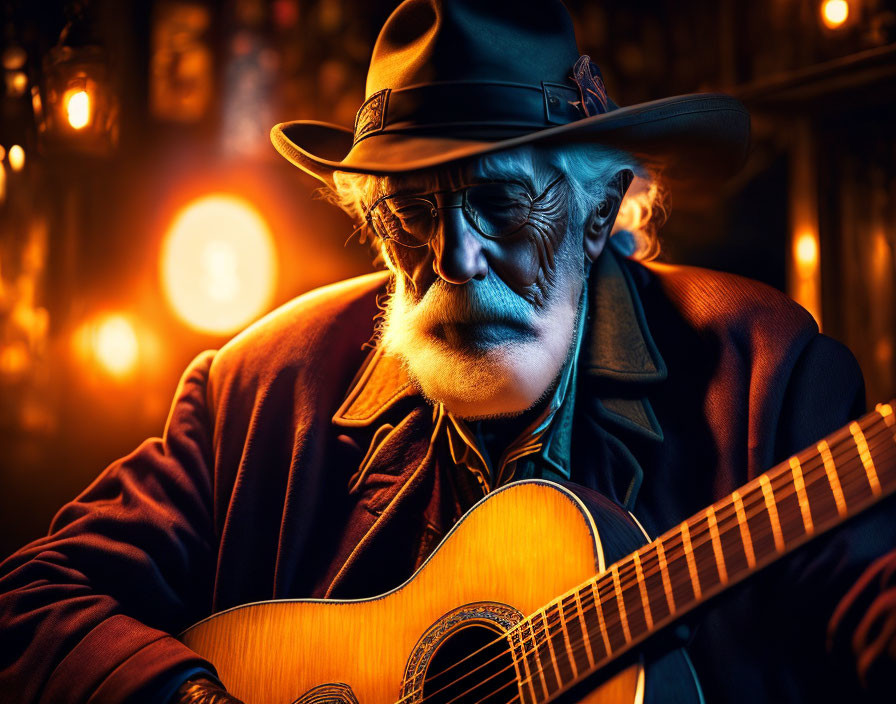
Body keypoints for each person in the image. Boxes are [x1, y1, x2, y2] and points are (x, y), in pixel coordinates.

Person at [1, 1, 895, 702]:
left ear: (594, 214)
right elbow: (27, 605)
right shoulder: (260, 394)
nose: (454, 261)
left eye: (501, 207)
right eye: (412, 213)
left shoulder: (766, 382)